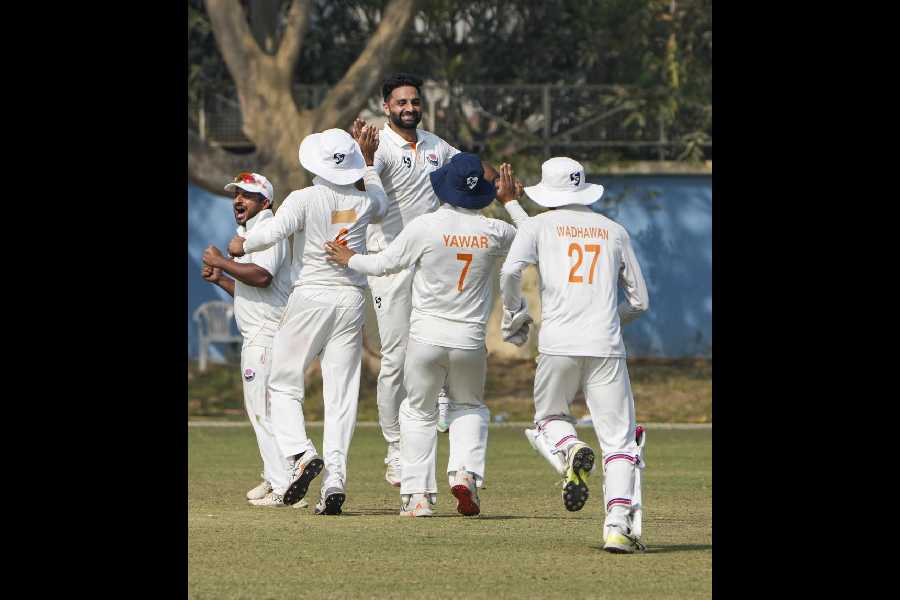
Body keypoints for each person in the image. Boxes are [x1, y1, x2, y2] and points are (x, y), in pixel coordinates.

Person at [325, 155, 529, 517]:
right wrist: (511, 202)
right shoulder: (495, 231)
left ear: (445, 188)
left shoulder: (426, 226)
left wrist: (349, 258)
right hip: (469, 342)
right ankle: (465, 474)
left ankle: (418, 497)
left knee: (417, 412)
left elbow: (383, 264)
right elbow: (534, 241)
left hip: (425, 339)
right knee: (468, 407)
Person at [226, 126, 388, 515]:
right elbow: (380, 200)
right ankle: (335, 482)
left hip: (311, 295)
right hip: (351, 299)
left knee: (282, 383)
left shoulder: (304, 197)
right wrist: (367, 163)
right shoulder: (367, 201)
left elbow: (275, 232)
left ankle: (300, 453)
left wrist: (240, 245)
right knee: (342, 396)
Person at [499, 157, 650, 553]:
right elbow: (640, 302)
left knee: (548, 419)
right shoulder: (614, 231)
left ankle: (569, 447)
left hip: (558, 345)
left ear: (546, 191)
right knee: (619, 441)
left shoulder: (536, 226)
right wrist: (608, 318)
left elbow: (510, 272)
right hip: (606, 346)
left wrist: (516, 313)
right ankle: (617, 526)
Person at [351, 73, 467, 486]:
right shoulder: (377, 146)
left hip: (431, 263)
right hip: (390, 265)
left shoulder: (436, 145)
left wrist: (495, 181)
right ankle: (395, 448)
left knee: (446, 345)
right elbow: (373, 204)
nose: (409, 108)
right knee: (396, 362)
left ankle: (439, 401)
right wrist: (364, 162)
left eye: (414, 102)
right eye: (401, 102)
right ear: (386, 107)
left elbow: (468, 169)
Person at [200, 172, 307, 508]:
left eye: (247, 194)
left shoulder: (268, 232)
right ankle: (275, 475)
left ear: (265, 202)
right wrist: (222, 278)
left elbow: (262, 277)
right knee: (266, 410)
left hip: (266, 335)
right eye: (236, 194)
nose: (238, 200)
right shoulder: (252, 234)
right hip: (260, 331)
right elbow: (251, 289)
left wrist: (222, 261)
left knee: (262, 411)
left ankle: (281, 485)